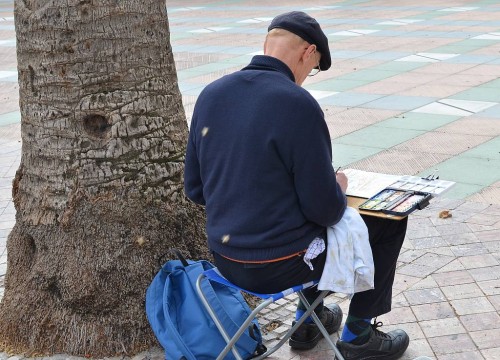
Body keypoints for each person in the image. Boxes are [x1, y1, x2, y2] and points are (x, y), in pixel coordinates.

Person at [184, 11, 410, 360]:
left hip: (225, 259)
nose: (309, 75)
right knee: (388, 220)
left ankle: (308, 322)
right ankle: (359, 335)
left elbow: (195, 190)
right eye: (315, 66)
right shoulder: (297, 103)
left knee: (305, 230)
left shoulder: (211, 94)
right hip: (278, 266)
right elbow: (325, 208)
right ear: (307, 52)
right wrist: (337, 185)